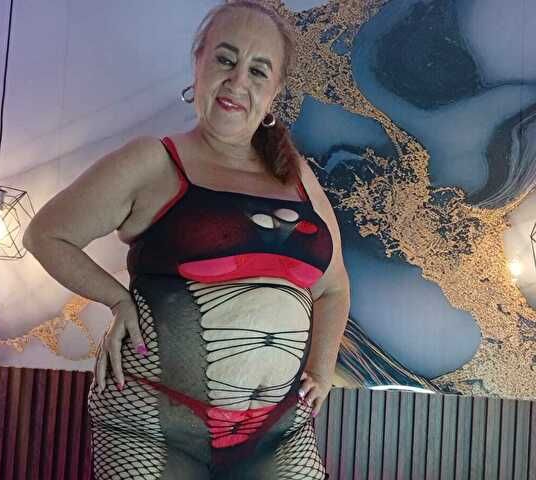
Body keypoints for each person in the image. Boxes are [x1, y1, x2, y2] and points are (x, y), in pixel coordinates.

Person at [23, 1, 349, 478]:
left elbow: (334, 287)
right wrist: (116, 298)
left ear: (275, 90)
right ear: (198, 63)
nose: (237, 80)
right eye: (225, 59)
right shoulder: (152, 161)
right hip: (149, 424)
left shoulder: (296, 176)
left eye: (258, 70)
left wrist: (321, 368)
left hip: (276, 432)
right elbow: (46, 234)